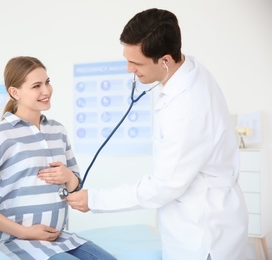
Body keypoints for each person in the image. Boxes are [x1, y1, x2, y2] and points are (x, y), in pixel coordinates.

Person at [67, 8, 248, 260]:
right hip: (195, 220)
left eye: (136, 63)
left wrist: (95, 200)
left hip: (203, 233)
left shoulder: (189, 107)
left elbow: (163, 185)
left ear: (165, 60)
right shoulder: (188, 69)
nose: (129, 69)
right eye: (127, 59)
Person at [0, 56, 115, 260]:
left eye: (47, 82)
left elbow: (76, 188)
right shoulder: (1, 135)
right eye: (36, 86)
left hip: (60, 238)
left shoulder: (58, 131)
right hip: (15, 242)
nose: (46, 91)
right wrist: (24, 232)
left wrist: (69, 177)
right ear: (14, 92)